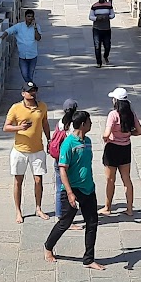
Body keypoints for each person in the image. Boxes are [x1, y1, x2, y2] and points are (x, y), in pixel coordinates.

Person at [44, 111, 103, 270]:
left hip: (88, 189)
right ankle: (48, 247)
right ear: (83, 124)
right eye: (89, 122)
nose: (91, 124)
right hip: (72, 190)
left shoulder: (88, 141)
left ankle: (89, 259)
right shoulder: (68, 144)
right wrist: (69, 193)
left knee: (92, 223)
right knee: (65, 222)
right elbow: (62, 170)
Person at [3, 81, 50, 223]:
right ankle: (18, 211)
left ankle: (38, 208)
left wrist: (50, 140)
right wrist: (19, 128)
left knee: (38, 180)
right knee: (18, 181)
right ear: (23, 93)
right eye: (29, 91)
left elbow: (45, 123)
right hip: (20, 150)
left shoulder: (42, 107)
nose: (32, 93)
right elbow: (6, 127)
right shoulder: (15, 108)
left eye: (34, 90)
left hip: (37, 149)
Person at [100, 87, 141, 218]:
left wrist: (107, 138)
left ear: (116, 101)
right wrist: (128, 135)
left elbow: (106, 134)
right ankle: (129, 208)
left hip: (112, 149)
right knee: (127, 180)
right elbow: (140, 131)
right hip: (125, 148)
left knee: (110, 180)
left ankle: (108, 207)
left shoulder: (113, 115)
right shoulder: (131, 114)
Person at [47, 99, 80, 219]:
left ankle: (59, 214)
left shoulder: (61, 122)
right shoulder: (74, 125)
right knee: (68, 188)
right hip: (69, 161)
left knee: (59, 187)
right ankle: (65, 217)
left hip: (58, 159)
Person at [5, 9, 43, 88]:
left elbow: (38, 38)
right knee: (25, 74)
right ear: (25, 17)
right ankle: (31, 87)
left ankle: (29, 89)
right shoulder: (19, 26)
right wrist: (2, 36)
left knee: (30, 74)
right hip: (23, 56)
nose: (30, 18)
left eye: (31, 17)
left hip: (33, 56)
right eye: (28, 16)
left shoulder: (36, 27)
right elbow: (9, 31)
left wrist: (35, 28)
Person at [87, 0, 115, 67]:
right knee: (97, 46)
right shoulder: (94, 6)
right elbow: (90, 16)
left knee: (107, 45)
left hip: (106, 29)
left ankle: (105, 56)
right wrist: (97, 18)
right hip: (97, 29)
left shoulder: (109, 5)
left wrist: (108, 17)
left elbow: (113, 15)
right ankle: (99, 62)